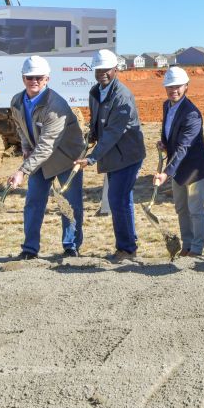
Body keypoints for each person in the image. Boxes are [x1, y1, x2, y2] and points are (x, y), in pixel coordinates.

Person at [8, 55, 86, 259]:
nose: (34, 81)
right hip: (39, 159)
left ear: (47, 79)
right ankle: (29, 249)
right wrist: (25, 146)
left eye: (39, 77)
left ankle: (71, 246)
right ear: (23, 78)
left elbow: (47, 146)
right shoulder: (17, 101)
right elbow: (21, 127)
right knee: (33, 202)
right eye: (29, 77)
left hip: (67, 158)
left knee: (70, 204)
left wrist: (22, 171)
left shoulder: (55, 106)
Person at [75, 49, 145, 262]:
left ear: (116, 69)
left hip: (127, 155)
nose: (102, 73)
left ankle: (126, 249)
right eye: (99, 69)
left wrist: (92, 157)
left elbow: (114, 131)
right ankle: (128, 244)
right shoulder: (95, 92)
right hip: (112, 155)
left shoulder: (122, 96)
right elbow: (98, 122)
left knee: (117, 199)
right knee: (122, 200)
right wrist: (90, 135)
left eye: (107, 69)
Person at [153, 66, 204, 257]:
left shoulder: (192, 114)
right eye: (170, 87)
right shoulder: (166, 106)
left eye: (178, 86)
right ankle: (186, 245)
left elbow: (184, 148)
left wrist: (166, 173)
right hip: (177, 169)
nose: (174, 90)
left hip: (194, 170)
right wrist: (165, 144)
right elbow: (173, 138)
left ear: (187, 86)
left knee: (195, 209)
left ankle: (197, 248)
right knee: (181, 208)